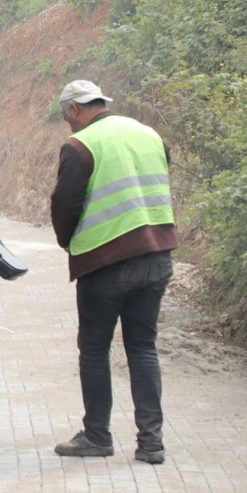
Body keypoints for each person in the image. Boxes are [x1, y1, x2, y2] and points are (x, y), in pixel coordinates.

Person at [49, 80, 177, 465]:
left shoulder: (80, 145)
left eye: (65, 117)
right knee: (142, 347)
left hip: (105, 262)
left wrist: (68, 242)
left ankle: (97, 436)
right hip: (156, 255)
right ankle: (151, 443)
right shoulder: (149, 134)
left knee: (94, 348)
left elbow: (65, 205)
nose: (68, 124)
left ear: (74, 109)